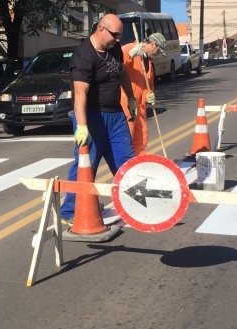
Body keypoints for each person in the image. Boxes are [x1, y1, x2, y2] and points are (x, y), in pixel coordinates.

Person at [58, 14, 138, 224]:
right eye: (115, 35)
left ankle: (135, 203)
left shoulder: (114, 49)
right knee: (86, 165)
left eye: (120, 35)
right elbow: (80, 94)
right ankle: (69, 212)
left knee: (126, 162)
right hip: (91, 117)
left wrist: (130, 99)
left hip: (116, 116)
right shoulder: (84, 55)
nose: (118, 39)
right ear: (101, 29)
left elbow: (122, 74)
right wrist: (82, 126)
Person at [121, 32, 165, 155]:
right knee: (126, 141)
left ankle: (138, 166)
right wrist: (130, 55)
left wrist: (149, 95)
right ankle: (125, 170)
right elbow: (114, 65)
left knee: (141, 140)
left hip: (139, 109)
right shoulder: (130, 48)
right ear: (153, 44)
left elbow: (147, 85)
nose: (157, 54)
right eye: (158, 50)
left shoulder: (148, 62)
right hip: (126, 105)